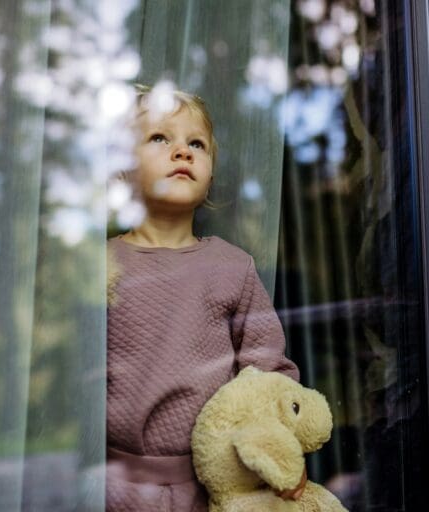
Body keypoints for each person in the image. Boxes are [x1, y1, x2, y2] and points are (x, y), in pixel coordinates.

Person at [105, 85, 303, 511]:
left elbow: (267, 370)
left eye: (196, 143)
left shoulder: (232, 266)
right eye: (160, 138)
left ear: (211, 172)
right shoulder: (101, 265)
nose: (183, 151)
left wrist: (279, 446)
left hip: (213, 488)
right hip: (114, 487)